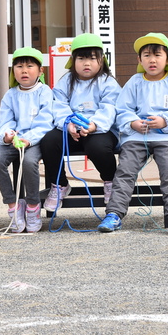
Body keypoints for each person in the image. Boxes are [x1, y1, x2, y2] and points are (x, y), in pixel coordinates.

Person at [40, 33, 121, 212]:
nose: (87, 63)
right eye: (81, 58)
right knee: (49, 141)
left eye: (92, 58)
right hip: (71, 128)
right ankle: (59, 184)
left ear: (101, 60)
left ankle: (110, 181)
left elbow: (110, 107)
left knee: (97, 147)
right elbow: (58, 106)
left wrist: (93, 125)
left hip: (100, 130)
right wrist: (68, 125)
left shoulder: (108, 82)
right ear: (72, 61)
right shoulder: (65, 82)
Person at [99, 33, 168, 232]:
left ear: (167, 58)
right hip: (138, 137)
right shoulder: (135, 82)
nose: (152, 60)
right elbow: (122, 109)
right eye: (146, 55)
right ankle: (114, 214)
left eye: (157, 55)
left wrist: (164, 121)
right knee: (125, 172)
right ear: (139, 60)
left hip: (166, 137)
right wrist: (133, 123)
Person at [0, 47, 54, 233]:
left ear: (40, 71)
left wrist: (29, 139)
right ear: (13, 71)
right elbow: (5, 120)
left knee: (28, 161)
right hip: (14, 140)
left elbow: (46, 121)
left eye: (29, 66)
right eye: (19, 66)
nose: (24, 70)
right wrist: (7, 134)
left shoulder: (45, 92)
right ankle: (13, 205)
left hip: (36, 140)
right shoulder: (10, 95)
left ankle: (33, 206)